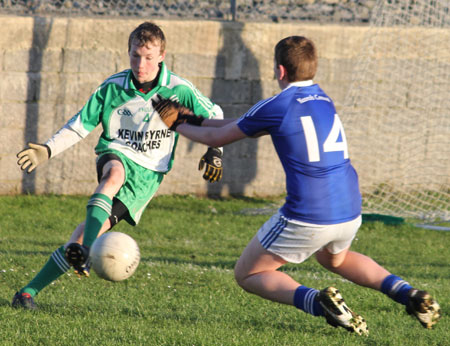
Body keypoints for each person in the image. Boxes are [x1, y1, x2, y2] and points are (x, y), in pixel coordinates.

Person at [153, 36, 441, 335]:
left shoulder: (277, 104)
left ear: (279, 71)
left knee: (248, 273)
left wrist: (176, 124)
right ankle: (407, 294)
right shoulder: (322, 97)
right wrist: (193, 119)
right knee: (334, 258)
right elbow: (241, 123)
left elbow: (218, 138)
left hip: (308, 213)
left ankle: (319, 303)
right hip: (350, 207)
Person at [12, 21, 224, 309]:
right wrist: (48, 150)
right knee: (112, 175)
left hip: (147, 177)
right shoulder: (112, 88)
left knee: (81, 234)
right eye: (136, 56)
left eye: (149, 57)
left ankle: (27, 293)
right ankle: (86, 250)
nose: (141, 64)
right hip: (116, 152)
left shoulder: (178, 89)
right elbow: (79, 126)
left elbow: (214, 112)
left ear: (162, 56)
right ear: (128, 53)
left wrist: (215, 150)